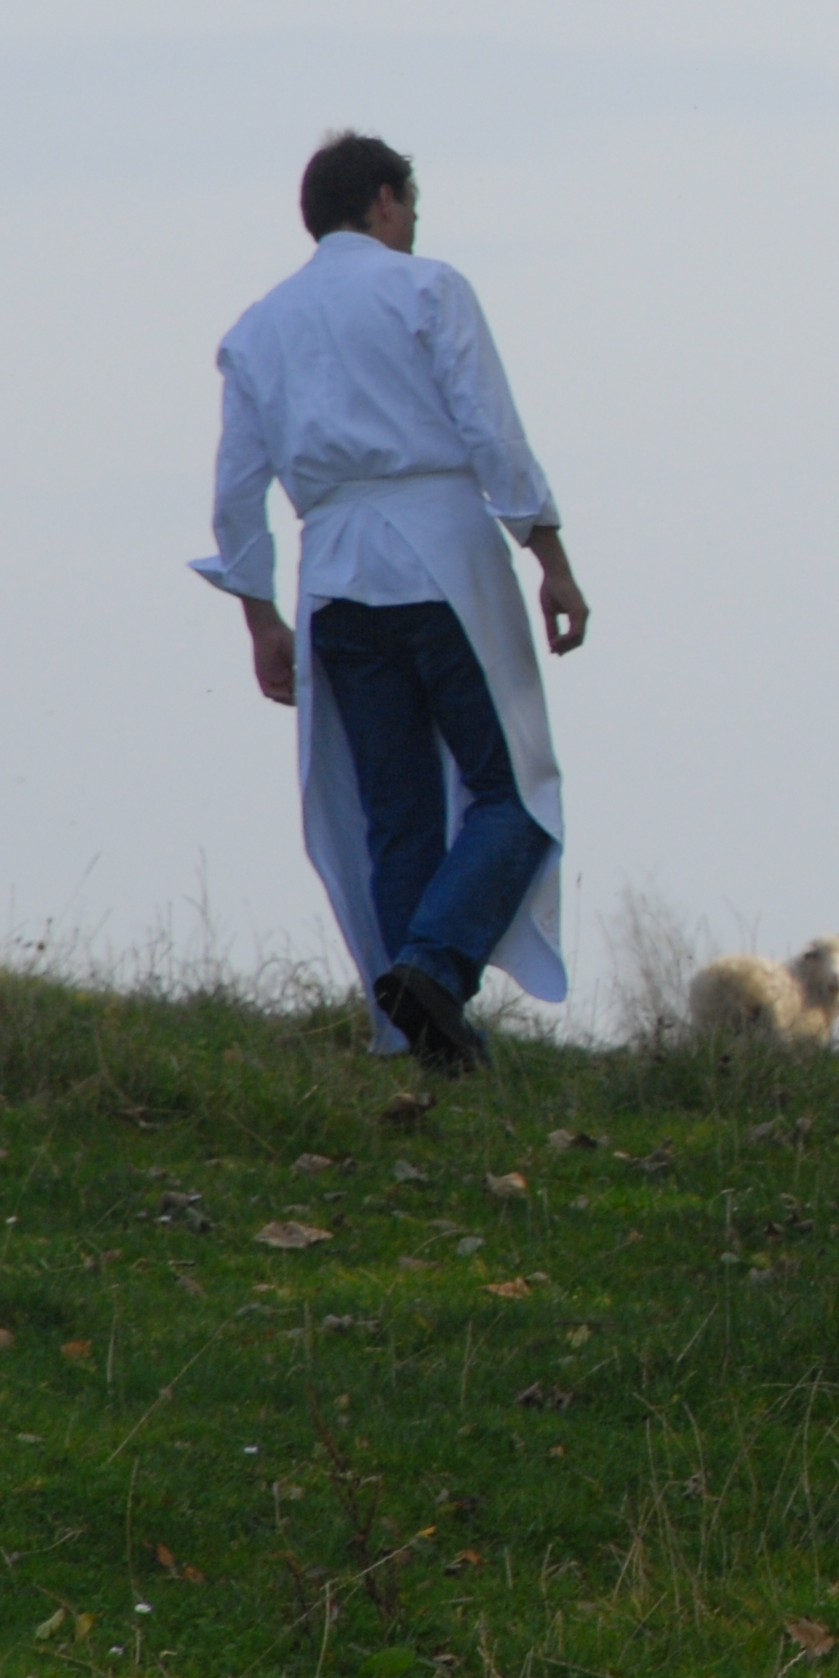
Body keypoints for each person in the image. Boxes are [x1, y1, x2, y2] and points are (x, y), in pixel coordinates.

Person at [193, 132, 591, 1070]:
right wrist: (551, 558)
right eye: (409, 205)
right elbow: (492, 432)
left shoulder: (258, 328)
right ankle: (434, 966)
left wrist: (260, 617)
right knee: (515, 793)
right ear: (383, 199)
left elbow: (235, 491)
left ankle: (426, 1043)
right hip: (441, 555)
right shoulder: (427, 289)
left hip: (333, 575)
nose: (412, 224)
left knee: (396, 814)